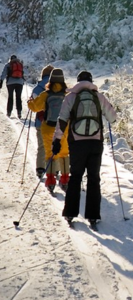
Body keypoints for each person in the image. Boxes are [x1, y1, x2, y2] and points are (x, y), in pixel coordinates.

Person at [52, 70, 117, 226]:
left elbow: (62, 120)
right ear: (91, 81)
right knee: (94, 178)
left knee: (75, 177)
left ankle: (70, 213)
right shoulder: (99, 97)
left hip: (77, 143)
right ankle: (93, 216)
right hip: (95, 143)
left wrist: (57, 141)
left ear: (78, 82)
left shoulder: (71, 98)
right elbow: (113, 118)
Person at [28, 68, 70, 192]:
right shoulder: (67, 95)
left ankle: (50, 181)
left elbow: (35, 107)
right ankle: (65, 179)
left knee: (50, 153)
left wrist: (30, 102)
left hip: (48, 128)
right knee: (64, 153)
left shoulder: (46, 94)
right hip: (64, 128)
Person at [31, 64, 54, 178]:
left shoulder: (37, 88)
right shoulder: (58, 87)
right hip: (55, 122)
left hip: (41, 121)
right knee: (54, 145)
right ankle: (55, 169)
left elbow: (34, 104)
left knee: (42, 145)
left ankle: (40, 168)